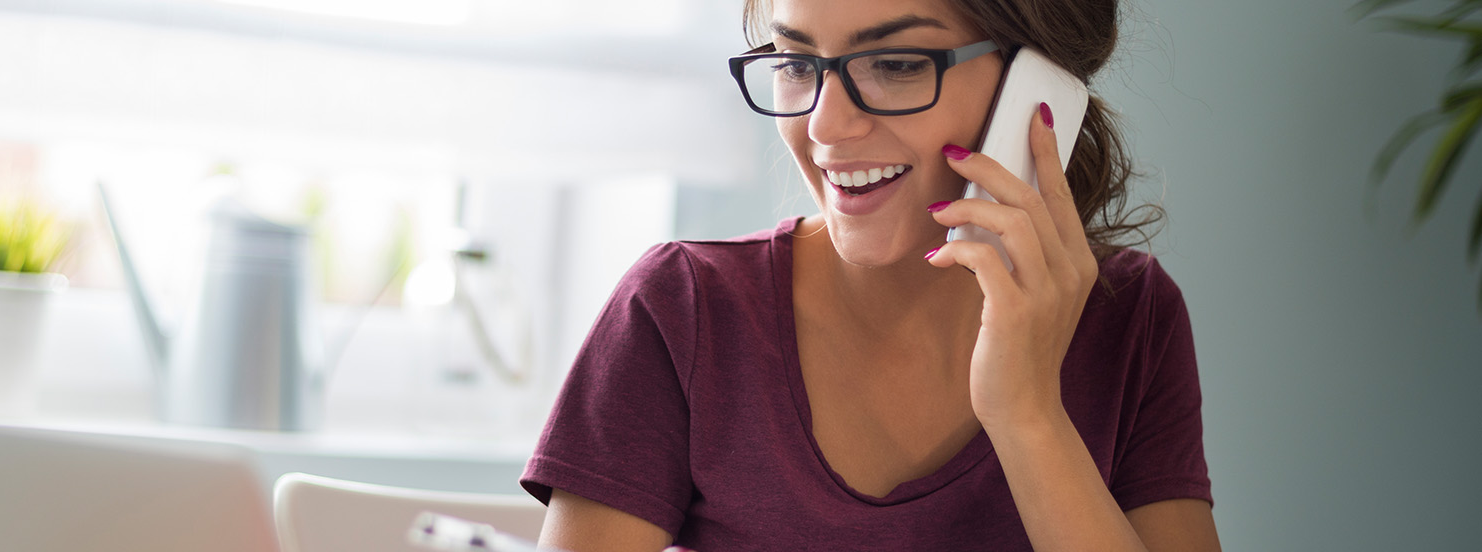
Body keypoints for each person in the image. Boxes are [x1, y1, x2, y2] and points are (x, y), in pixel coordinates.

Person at [519, 0, 1220, 549]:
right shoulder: (682, 308)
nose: (827, 125)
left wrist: (1028, 415)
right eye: (795, 63)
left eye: (896, 63)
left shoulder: (1130, 316)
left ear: (1039, 92)